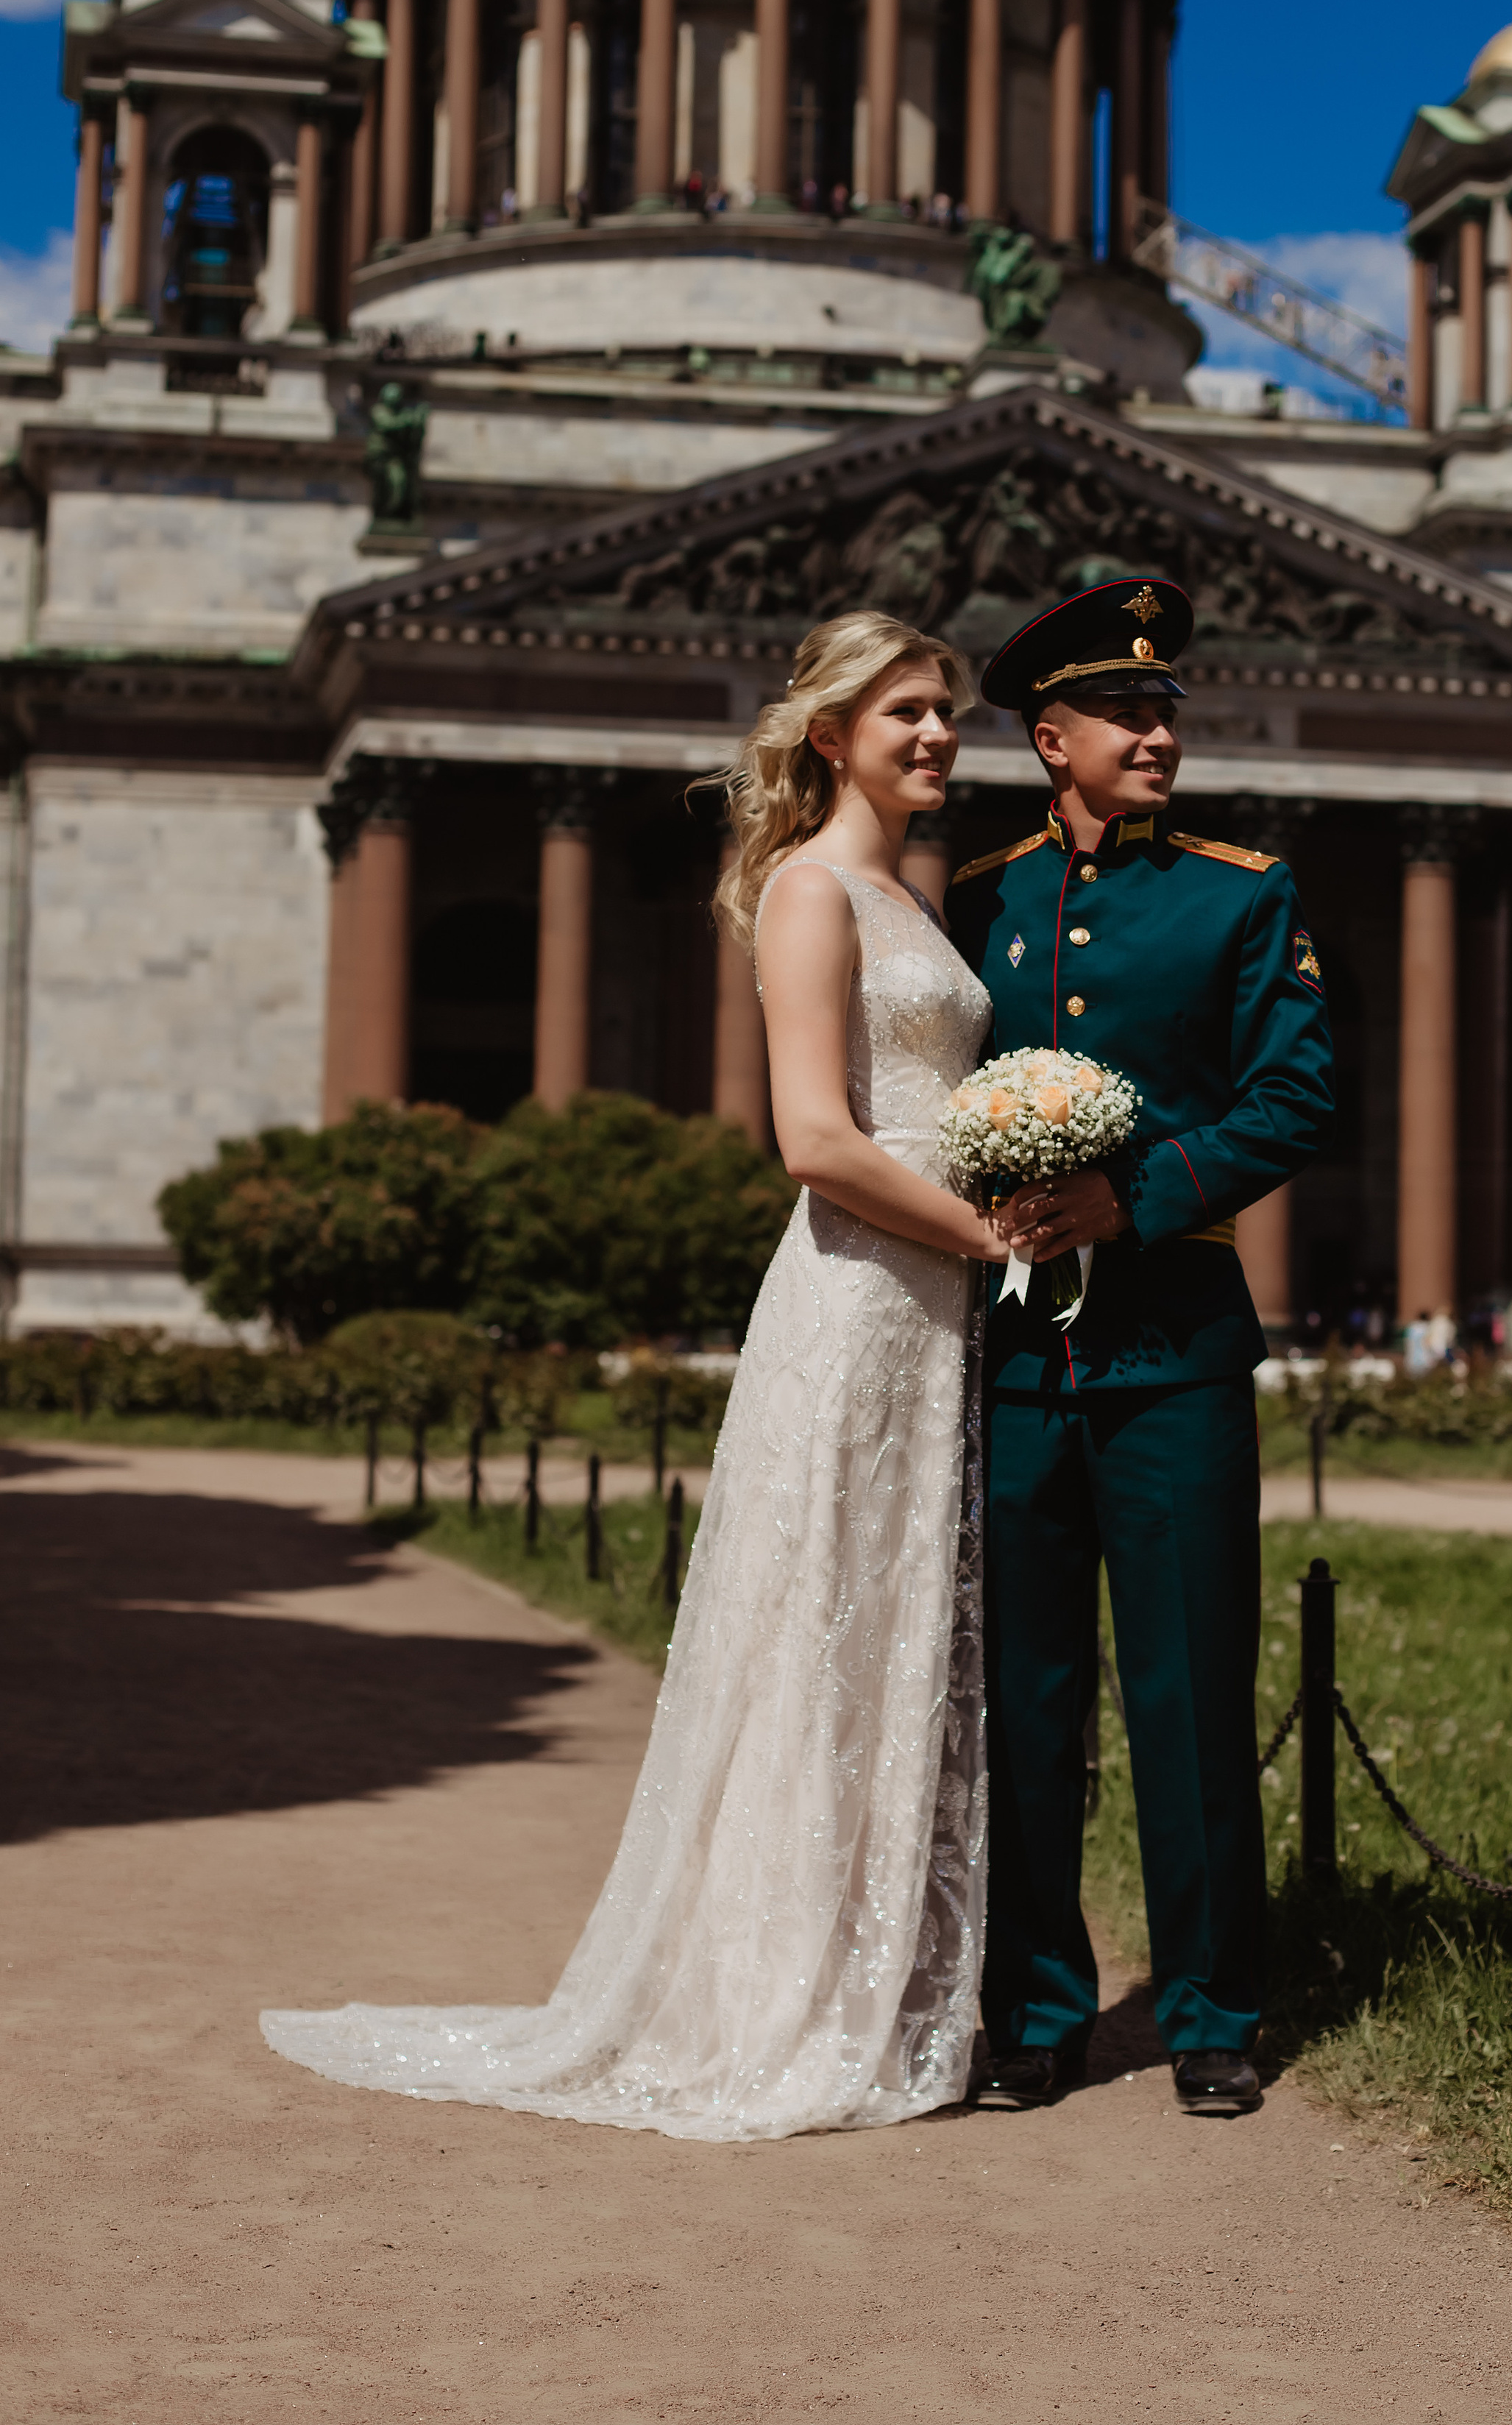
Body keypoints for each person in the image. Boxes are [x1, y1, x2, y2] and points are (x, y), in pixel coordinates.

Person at [261, 612, 1004, 2140]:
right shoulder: (810, 892)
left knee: (887, 1631)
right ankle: (772, 2001)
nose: (936, 735)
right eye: (906, 712)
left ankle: (876, 1980)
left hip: (929, 1299)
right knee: (818, 1629)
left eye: (946, 712)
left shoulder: (903, 894)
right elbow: (808, 1140)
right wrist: (995, 1238)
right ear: (829, 732)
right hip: (866, 1291)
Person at [948, 576, 1335, 2115]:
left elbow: (1292, 1099)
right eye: (1126, 711)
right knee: (1021, 1703)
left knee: (1186, 1697)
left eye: (1166, 707)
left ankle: (1209, 2015)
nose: (1158, 731)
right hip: (1010, 1367)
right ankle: (1035, 2013)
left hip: (1172, 1350)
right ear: (1051, 736)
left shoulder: (1242, 893)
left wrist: (1133, 1197)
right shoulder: (975, 898)